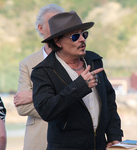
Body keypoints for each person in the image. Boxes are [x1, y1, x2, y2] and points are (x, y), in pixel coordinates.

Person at [31, 11, 123, 150]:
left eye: (84, 34)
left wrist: (114, 135)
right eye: (75, 36)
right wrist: (79, 86)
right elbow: (47, 111)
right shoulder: (43, 71)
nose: (82, 39)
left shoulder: (94, 61)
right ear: (58, 41)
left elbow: (109, 101)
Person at [13, 4, 65, 150]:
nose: (57, 27)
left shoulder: (75, 59)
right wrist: (65, 103)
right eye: (52, 22)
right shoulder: (27, 64)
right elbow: (22, 108)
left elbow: (81, 99)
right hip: (37, 142)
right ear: (40, 28)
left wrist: (35, 96)